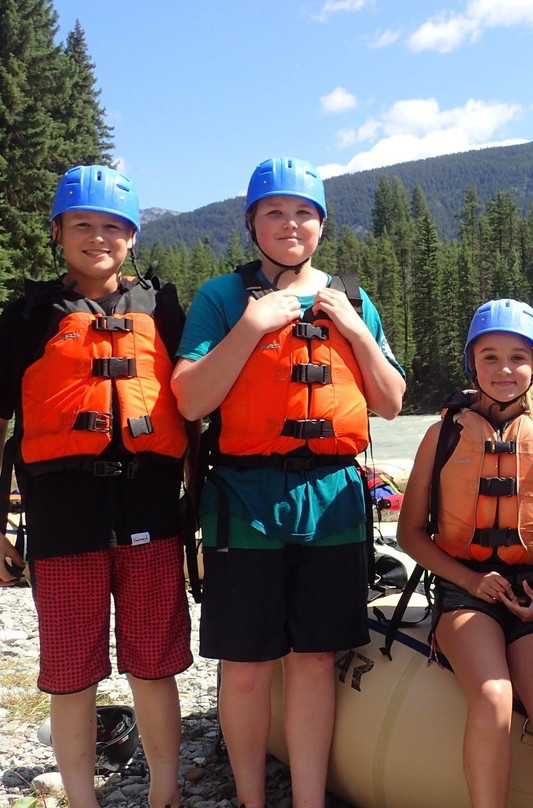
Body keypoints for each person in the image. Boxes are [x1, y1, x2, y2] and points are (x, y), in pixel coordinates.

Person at [171, 157, 405, 808]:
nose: (290, 223)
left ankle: (307, 800)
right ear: (252, 223)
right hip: (245, 497)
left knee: (312, 661)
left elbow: (389, 400)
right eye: (274, 211)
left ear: (322, 225)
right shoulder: (224, 297)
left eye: (304, 212)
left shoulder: (352, 298)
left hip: (332, 497)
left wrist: (356, 329)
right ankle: (251, 799)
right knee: (245, 669)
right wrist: (252, 326)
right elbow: (190, 401)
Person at [0, 165, 192, 808]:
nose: (98, 237)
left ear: (133, 237)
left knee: (155, 663)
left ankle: (164, 792)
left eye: (114, 226)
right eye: (83, 223)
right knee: (72, 671)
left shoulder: (163, 308)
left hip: (152, 510)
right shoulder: (27, 316)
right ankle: (82, 798)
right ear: (58, 231)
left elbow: (193, 413)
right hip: (63, 518)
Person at [396, 299, 533, 808]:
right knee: (493, 697)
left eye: (518, 357)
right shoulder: (442, 435)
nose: (504, 369)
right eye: (489, 357)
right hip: (468, 588)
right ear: (471, 363)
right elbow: (410, 533)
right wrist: (469, 580)